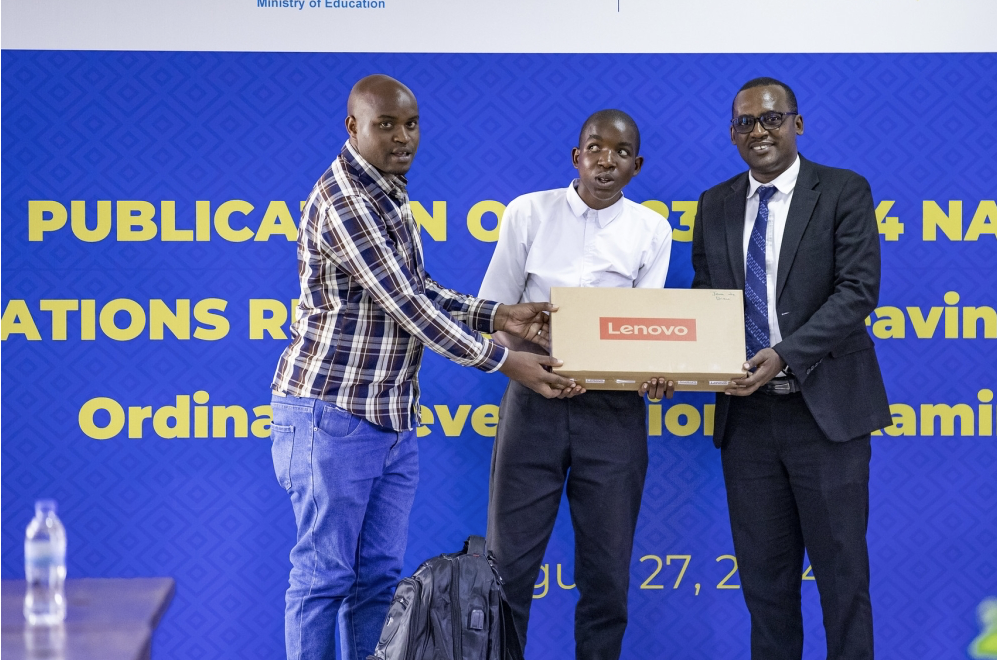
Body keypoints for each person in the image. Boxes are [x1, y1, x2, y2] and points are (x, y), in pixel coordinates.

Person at [269, 74, 580, 660]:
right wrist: (504, 360)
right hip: (332, 414)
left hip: (388, 419)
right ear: (352, 127)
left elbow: (422, 287)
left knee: (377, 583)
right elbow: (408, 306)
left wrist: (500, 315)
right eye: (385, 124)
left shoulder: (389, 192)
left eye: (411, 124)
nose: (403, 137)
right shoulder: (345, 201)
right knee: (323, 581)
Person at [691, 77, 891, 659]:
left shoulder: (844, 191)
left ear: (797, 124)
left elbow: (857, 292)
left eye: (772, 119)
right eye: (746, 122)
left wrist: (785, 353)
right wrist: (687, 365)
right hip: (747, 419)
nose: (760, 131)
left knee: (842, 580)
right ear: (732, 134)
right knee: (765, 586)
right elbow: (709, 300)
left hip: (824, 413)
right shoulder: (715, 203)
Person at [478, 109, 674, 660]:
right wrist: (527, 358)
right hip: (533, 404)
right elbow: (493, 312)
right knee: (507, 573)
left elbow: (646, 332)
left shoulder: (652, 230)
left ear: (636, 166)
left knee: (606, 577)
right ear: (575, 156)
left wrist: (654, 373)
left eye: (619, 151)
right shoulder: (527, 213)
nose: (605, 159)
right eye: (594, 147)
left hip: (613, 416)